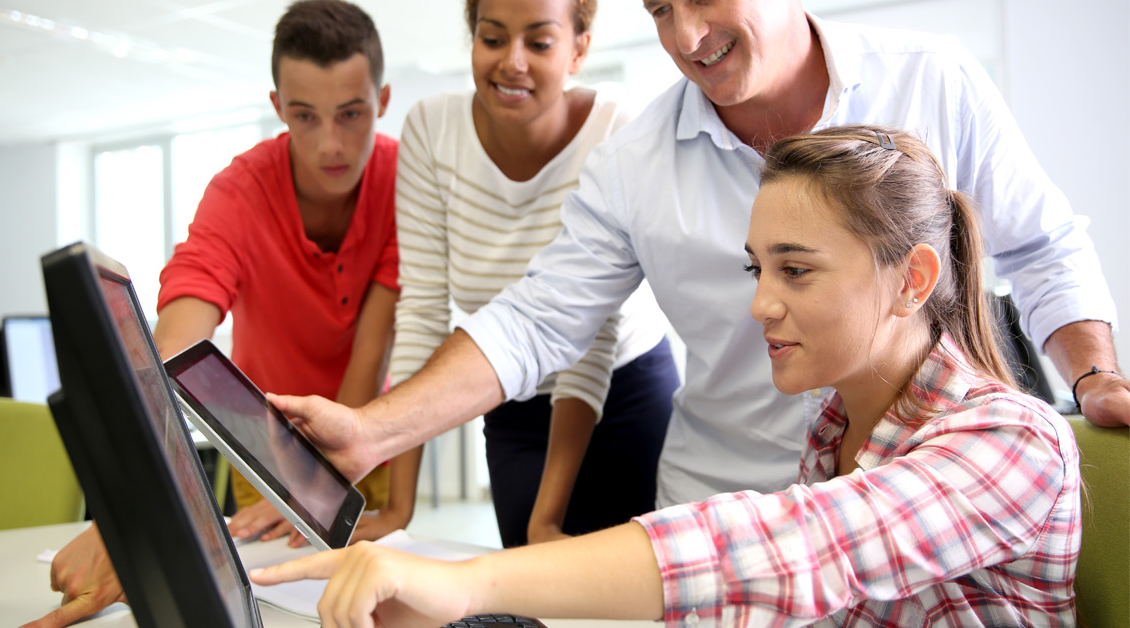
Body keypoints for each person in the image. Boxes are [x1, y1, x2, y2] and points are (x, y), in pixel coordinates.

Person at [265, 0, 1126, 512]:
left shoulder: (933, 81)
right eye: (660, 11)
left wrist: (1093, 376)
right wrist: (375, 429)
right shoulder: (635, 158)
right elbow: (536, 321)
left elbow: (1041, 246)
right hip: (725, 504)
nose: (686, 38)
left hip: (915, 494)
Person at [251, 126, 1082, 627]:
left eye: (795, 271)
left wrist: (469, 583)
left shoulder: (1010, 439)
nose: (758, 304)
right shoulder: (839, 425)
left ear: (913, 278)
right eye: (757, 268)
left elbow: (790, 549)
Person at [21, 0, 400, 628]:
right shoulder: (239, 191)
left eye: (351, 114)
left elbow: (374, 349)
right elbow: (174, 348)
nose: (330, 143)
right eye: (305, 116)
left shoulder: (401, 178)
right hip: (262, 451)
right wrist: (133, 510)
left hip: (363, 444)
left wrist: (322, 478)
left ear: (381, 103)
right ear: (277, 108)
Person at [354, 0, 678, 549]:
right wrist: (400, 506)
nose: (513, 62)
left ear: (578, 51)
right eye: (493, 37)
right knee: (529, 581)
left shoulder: (614, 133)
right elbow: (423, 311)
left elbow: (591, 333)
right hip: (509, 388)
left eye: (540, 41)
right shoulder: (431, 130)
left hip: (625, 389)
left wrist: (547, 518)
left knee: (624, 590)